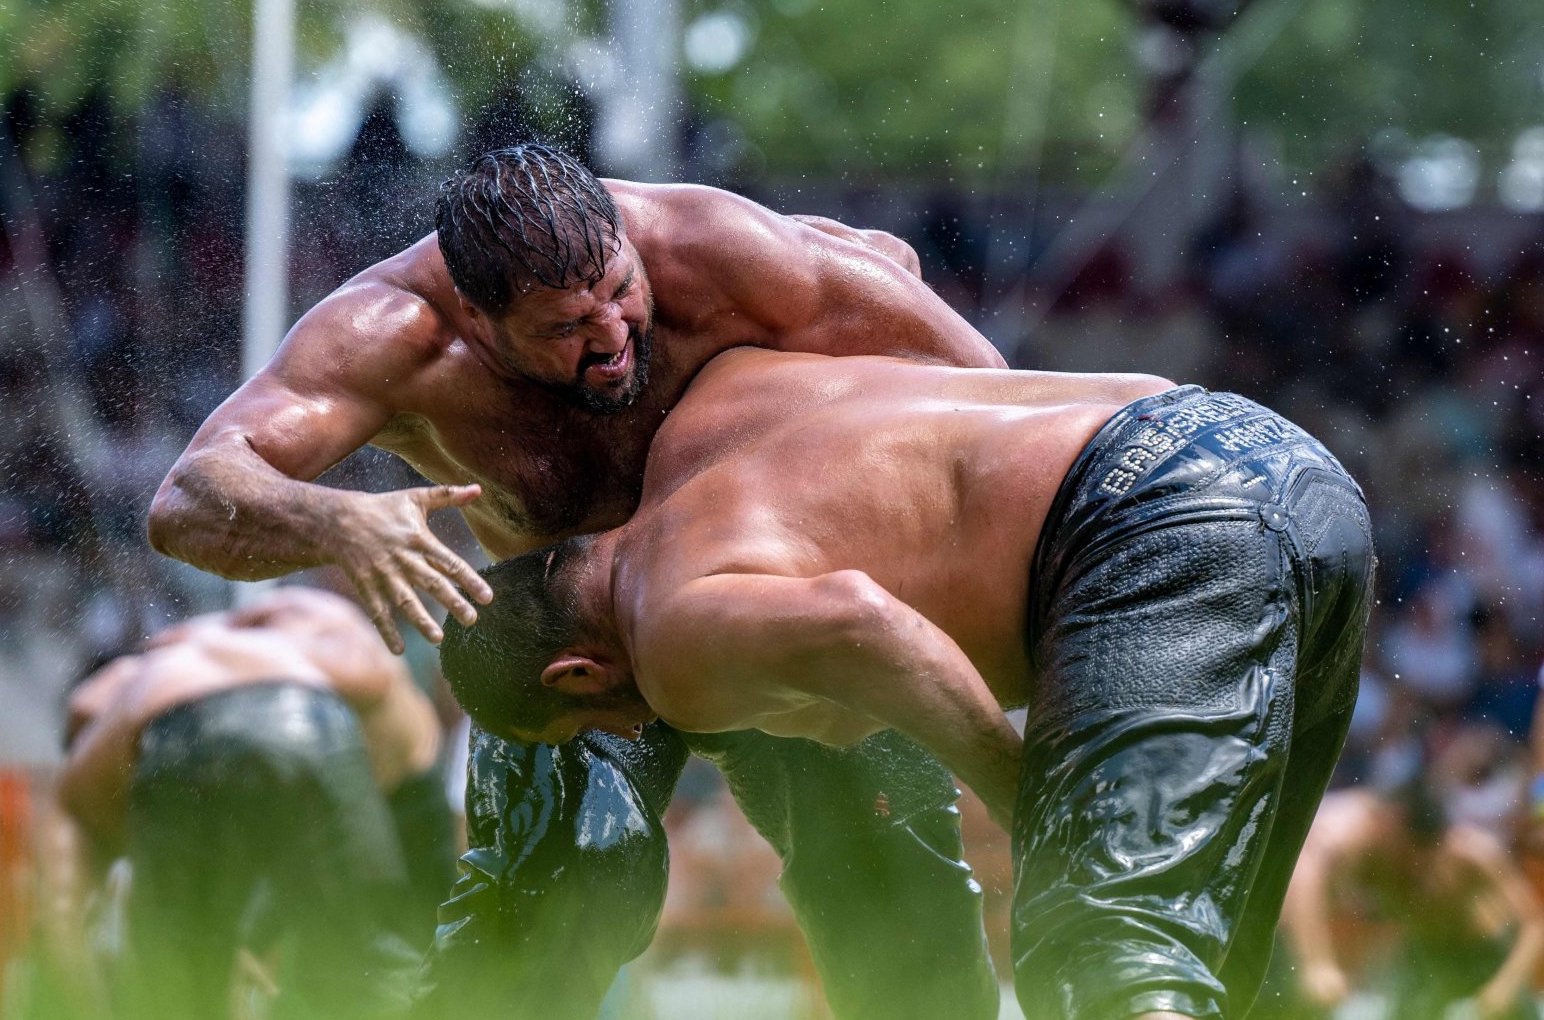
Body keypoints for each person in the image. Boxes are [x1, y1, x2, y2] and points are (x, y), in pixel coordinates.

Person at [148, 144, 1007, 1018]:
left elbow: (1003, 403)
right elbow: (187, 500)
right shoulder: (391, 337)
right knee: (564, 885)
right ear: (478, 321)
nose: (611, 335)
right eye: (563, 329)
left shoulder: (720, 252)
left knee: (897, 889)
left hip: (766, 595)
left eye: (619, 289)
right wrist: (335, 522)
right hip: (572, 637)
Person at [442, 349, 1376, 1020]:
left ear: (577, 673)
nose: (629, 732)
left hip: (1158, 522)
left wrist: (1032, 807)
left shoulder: (667, 635)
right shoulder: (713, 413)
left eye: (592, 727)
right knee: (1212, 960)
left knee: (1101, 948)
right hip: (1285, 467)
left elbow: (866, 626)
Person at [58, 587, 449, 1020]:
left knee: (181, 987)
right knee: (365, 966)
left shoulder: (100, 712)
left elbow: (67, 913)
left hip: (181, 731)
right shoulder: (304, 626)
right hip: (316, 713)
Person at [1271, 785, 1544, 1020]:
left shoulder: (1472, 852)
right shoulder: (1387, 859)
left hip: (1486, 963)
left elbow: (1535, 923)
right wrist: (1322, 965)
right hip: (1426, 965)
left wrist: (1504, 986)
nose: (1419, 872)